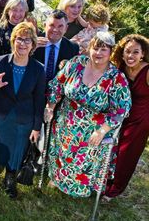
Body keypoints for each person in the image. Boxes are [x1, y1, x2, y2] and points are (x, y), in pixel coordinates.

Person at [45, 32, 131, 197]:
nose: (98, 53)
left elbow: (122, 110)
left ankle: (77, 187)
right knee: (60, 153)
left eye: (103, 49)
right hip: (65, 121)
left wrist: (102, 131)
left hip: (93, 130)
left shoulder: (116, 78)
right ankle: (57, 178)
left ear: (110, 52)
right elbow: (57, 84)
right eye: (96, 48)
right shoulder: (76, 63)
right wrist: (50, 106)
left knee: (83, 161)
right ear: (90, 48)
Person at [0, 22, 45, 199]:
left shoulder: (38, 69)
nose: (22, 43)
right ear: (13, 40)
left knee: (16, 150)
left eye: (27, 40)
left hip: (23, 118)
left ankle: (10, 178)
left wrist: (36, 127)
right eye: (19, 39)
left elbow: (39, 99)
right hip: (0, 115)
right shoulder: (0, 62)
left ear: (33, 45)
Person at [105, 34, 149, 199]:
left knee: (126, 156)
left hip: (141, 120)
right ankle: (104, 182)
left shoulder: (147, 71)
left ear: (142, 54)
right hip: (120, 116)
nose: (131, 56)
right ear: (122, 53)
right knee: (111, 150)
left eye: (135, 52)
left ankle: (114, 190)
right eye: (127, 51)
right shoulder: (120, 68)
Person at [33, 10, 79, 83]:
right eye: (52, 25)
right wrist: (30, 49)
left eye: (60, 26)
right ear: (45, 26)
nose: (55, 30)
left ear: (66, 28)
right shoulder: (32, 42)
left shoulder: (72, 48)